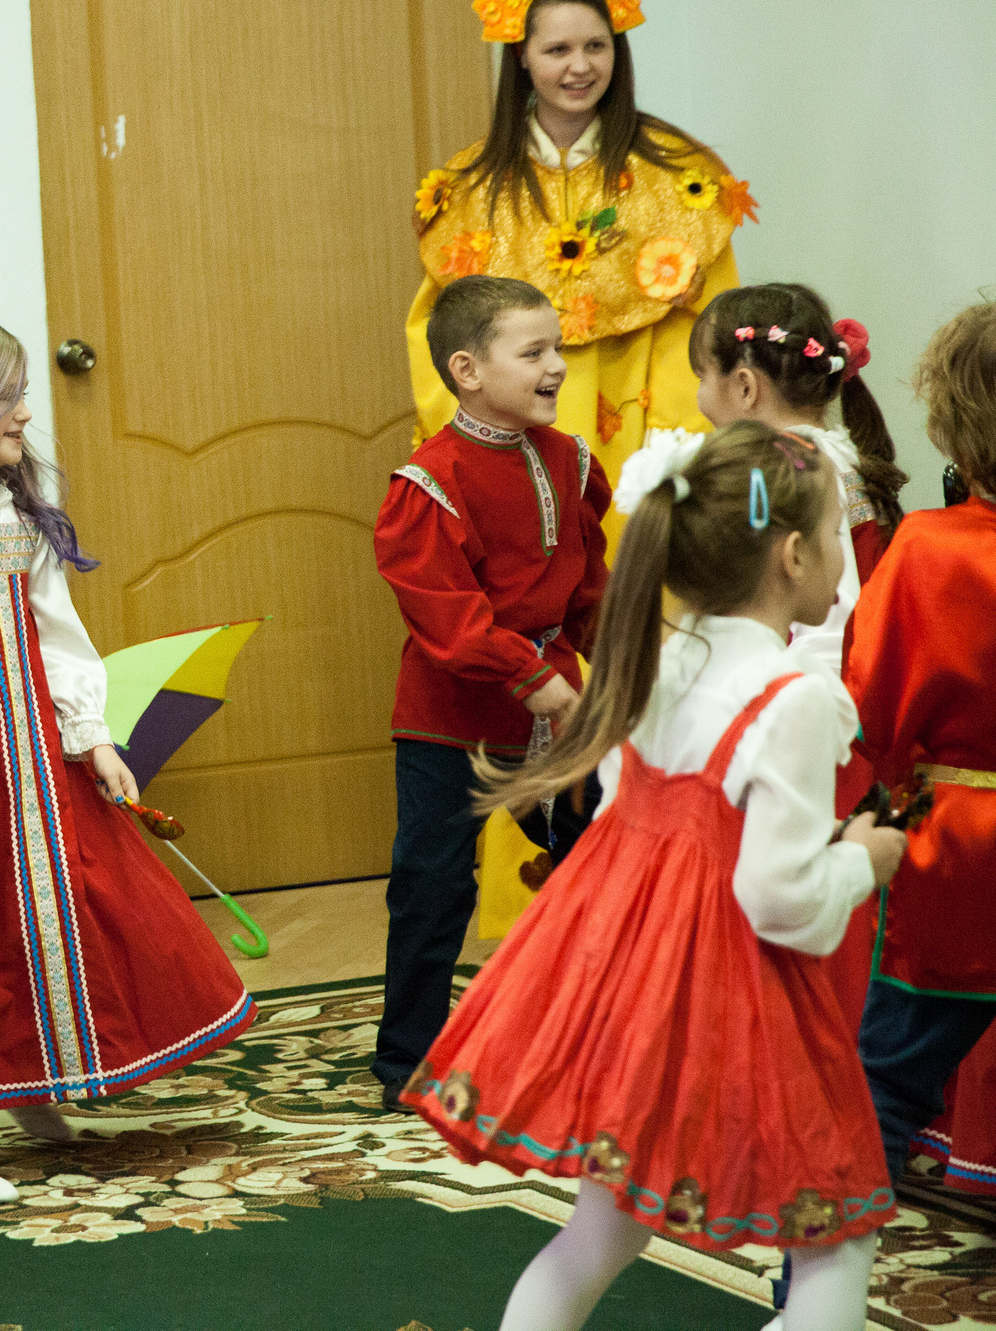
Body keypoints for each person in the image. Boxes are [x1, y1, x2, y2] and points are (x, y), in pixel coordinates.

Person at [403, 421, 903, 1331]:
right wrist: (864, 861)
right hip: (732, 997)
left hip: (628, 989)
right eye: (837, 532)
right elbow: (780, 897)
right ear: (792, 554)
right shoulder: (796, 698)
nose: (846, 553)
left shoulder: (660, 659)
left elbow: (621, 810)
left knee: (602, 1232)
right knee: (835, 1228)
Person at [0, 313, 254, 1205]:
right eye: (7, 395)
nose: (26, 411)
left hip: (29, 751)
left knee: (55, 898)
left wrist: (94, 735)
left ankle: (33, 1074)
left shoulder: (17, 515)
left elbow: (58, 635)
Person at [406, 0, 748, 501]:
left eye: (596, 45)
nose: (580, 66)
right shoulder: (467, 189)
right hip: (503, 450)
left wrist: (673, 451)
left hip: (642, 446)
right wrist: (478, 443)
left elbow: (708, 332)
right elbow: (440, 340)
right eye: (557, 49)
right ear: (522, 57)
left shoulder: (680, 181)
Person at [371, 274, 610, 1106]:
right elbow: (448, 613)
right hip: (452, 719)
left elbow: (588, 583)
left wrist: (603, 662)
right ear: (468, 369)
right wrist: (533, 678)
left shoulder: (572, 460)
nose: (556, 366)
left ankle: (590, 1038)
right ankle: (410, 1057)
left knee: (594, 865)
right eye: (534, 351)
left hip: (562, 703)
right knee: (434, 885)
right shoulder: (429, 483)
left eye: (558, 349)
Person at [689, 284, 905, 1027]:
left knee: (806, 899)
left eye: (701, 379)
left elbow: (828, 613)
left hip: (820, 712)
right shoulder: (837, 453)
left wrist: (777, 703)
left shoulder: (788, 470)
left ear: (744, 383)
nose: (699, 400)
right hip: (846, 703)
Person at [845, 302, 996, 1191]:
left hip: (961, 855)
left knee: (884, 1081)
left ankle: (817, 1295)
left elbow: (872, 710)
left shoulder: (928, 551)